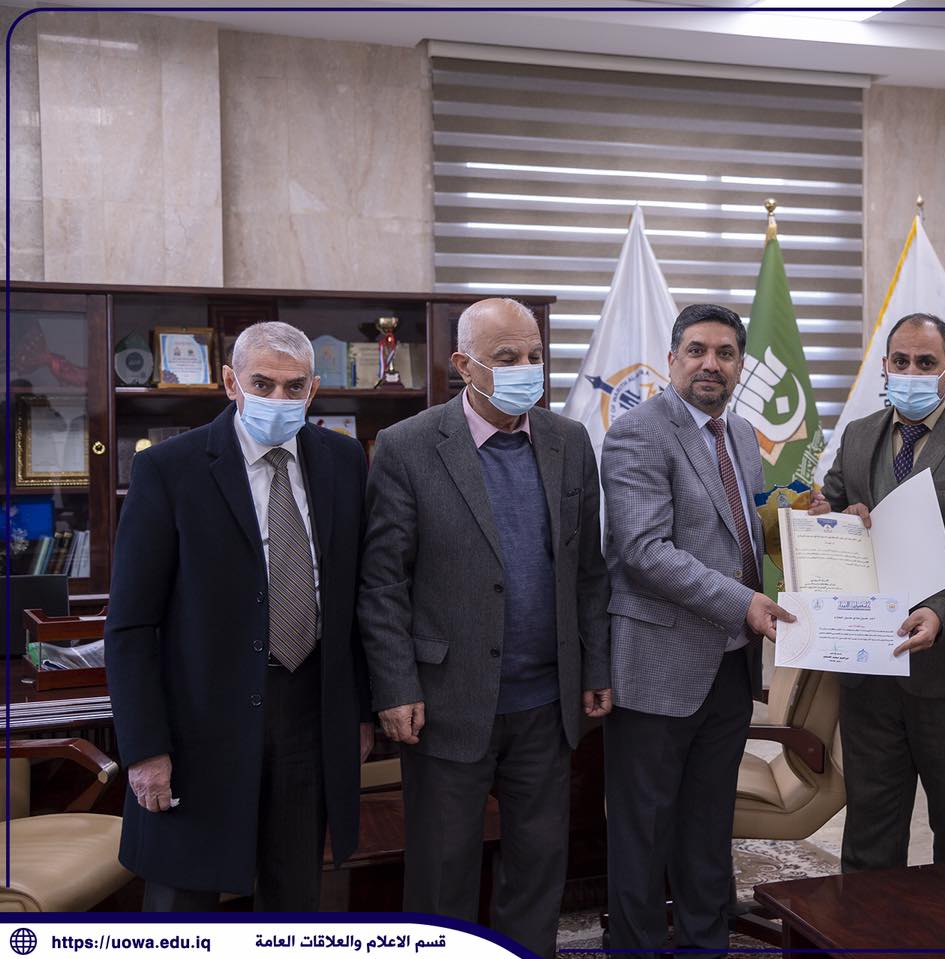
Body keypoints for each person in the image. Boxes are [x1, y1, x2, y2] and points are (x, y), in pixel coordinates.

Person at [358, 298, 610, 957]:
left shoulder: (569, 441)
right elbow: (382, 582)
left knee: (539, 866)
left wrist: (596, 666)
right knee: (443, 873)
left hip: (546, 702)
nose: (527, 368)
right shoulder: (409, 446)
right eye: (507, 358)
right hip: (446, 701)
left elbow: (588, 569)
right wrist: (395, 686)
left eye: (535, 356)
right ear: (463, 365)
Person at [105, 321, 372, 911]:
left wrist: (356, 711)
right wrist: (145, 749)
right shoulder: (170, 469)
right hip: (198, 721)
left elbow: (352, 595)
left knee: (293, 897)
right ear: (231, 382)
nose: (279, 398)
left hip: (308, 709)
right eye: (262, 383)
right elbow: (130, 626)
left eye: (294, 386)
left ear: (313, 389)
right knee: (183, 905)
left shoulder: (343, 459)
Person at [601, 303, 794, 958]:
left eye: (725, 353)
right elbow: (643, 550)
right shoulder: (637, 432)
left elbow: (738, 531)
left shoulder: (739, 432)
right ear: (672, 359)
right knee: (644, 831)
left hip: (731, 665)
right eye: (697, 350)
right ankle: (635, 948)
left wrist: (809, 522)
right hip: (658, 666)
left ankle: (706, 946)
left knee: (710, 827)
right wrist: (742, 604)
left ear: (739, 365)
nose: (711, 363)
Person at [809, 311, 945, 873]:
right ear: (884, 366)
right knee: (869, 834)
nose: (911, 373)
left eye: (926, 363)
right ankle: (866, 926)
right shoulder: (859, 435)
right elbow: (831, 511)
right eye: (900, 362)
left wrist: (940, 612)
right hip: (872, 672)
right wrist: (833, 518)